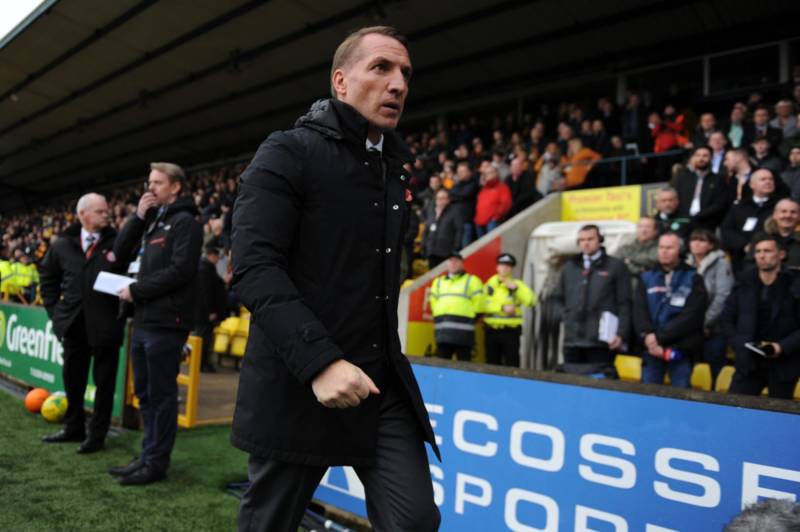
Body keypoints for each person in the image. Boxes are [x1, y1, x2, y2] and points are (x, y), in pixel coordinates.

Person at [229, 27, 440, 531]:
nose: (398, 85)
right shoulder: (287, 151)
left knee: (414, 520)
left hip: (378, 383)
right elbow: (255, 270)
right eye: (382, 68)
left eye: (406, 74)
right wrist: (321, 363)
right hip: (299, 378)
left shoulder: (396, 172)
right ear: (340, 82)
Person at [110, 162, 203, 485]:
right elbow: (118, 255)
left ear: (175, 187)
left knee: (162, 397)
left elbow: (181, 271)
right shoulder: (153, 220)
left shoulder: (186, 223)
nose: (150, 188)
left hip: (167, 324)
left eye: (157, 182)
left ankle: (156, 463)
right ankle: (148, 455)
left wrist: (136, 289)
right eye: (149, 182)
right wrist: (137, 217)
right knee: (146, 395)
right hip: (144, 320)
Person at [39, 193, 128, 453]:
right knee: (73, 379)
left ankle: (97, 435)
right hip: (74, 324)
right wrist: (56, 313)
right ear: (83, 215)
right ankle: (73, 427)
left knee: (104, 383)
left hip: (106, 324)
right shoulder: (62, 244)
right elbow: (48, 278)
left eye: (106, 211)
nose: (106, 215)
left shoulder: (118, 242)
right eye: (100, 211)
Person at [722, 233, 800, 399]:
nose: (762, 256)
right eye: (758, 251)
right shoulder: (744, 281)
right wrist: (739, 343)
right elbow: (727, 318)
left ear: (781, 254)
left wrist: (782, 347)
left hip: (783, 364)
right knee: (735, 410)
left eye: (767, 251)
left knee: (778, 417)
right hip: (748, 362)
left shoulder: (795, 282)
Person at [553, 224, 631, 374]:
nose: (586, 243)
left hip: (601, 342)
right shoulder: (569, 267)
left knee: (600, 387)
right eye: (582, 240)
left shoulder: (616, 266)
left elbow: (625, 303)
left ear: (600, 240)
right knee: (571, 387)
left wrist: (621, 333)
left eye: (590, 239)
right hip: (572, 341)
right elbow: (558, 298)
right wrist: (566, 317)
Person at [634, 233, 708, 388]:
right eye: (661, 247)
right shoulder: (646, 277)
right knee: (648, 398)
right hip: (651, 350)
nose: (664, 251)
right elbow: (640, 311)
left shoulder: (694, 277)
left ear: (679, 250)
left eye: (669, 247)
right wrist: (648, 337)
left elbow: (692, 316)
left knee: (681, 400)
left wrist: (659, 338)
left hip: (680, 350)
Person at [685, 229, 733, 382]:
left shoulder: (721, 263)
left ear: (711, 245)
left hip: (713, 328)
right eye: (693, 240)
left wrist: (704, 322)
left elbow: (723, 296)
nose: (696, 244)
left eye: (701, 240)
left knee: (713, 371)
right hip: (688, 329)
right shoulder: (686, 263)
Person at [482, 253, 536, 367]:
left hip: (510, 332)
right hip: (492, 331)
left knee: (512, 364)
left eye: (508, 266)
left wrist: (516, 289)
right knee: (491, 365)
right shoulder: (488, 285)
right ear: (497, 267)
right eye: (502, 265)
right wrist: (501, 308)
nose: (504, 268)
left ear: (511, 269)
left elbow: (531, 301)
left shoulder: (517, 284)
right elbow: (481, 305)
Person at [721, 168, 779, 274]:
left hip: (772, 261)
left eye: (771, 179)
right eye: (763, 179)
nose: (768, 182)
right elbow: (727, 230)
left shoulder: (779, 206)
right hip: (743, 260)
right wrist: (744, 245)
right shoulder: (739, 207)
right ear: (752, 185)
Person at [429, 253, 483, 362]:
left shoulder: (472, 280)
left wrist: (473, 317)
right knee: (441, 367)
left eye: (456, 261)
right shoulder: (438, 282)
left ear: (462, 264)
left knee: (464, 367)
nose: (453, 264)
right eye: (450, 261)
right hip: (442, 334)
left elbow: (480, 303)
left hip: (464, 335)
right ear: (447, 264)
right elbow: (433, 302)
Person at [671, 145, 728, 231]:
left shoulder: (718, 179)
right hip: (683, 220)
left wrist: (699, 215)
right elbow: (674, 198)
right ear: (693, 158)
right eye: (698, 155)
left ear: (711, 158)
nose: (701, 159)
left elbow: (719, 204)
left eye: (705, 156)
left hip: (707, 222)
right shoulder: (682, 178)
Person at [194, 244, 228, 373]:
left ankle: (203, 363)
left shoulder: (207, 268)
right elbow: (206, 292)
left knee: (205, 339)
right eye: (216, 257)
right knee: (204, 339)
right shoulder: (205, 269)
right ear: (211, 255)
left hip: (204, 312)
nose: (218, 259)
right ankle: (201, 364)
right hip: (205, 313)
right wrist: (211, 311)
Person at [422, 188, 462, 268]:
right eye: (438, 198)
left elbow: (459, 230)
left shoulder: (454, 212)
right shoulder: (432, 212)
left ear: (448, 200)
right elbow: (426, 230)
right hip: (431, 251)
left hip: (446, 252)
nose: (440, 200)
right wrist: (424, 245)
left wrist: (455, 247)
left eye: (443, 198)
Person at [473, 166, 511, 238]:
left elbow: (505, 204)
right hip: (480, 222)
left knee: (491, 246)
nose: (488, 175)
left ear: (496, 174)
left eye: (490, 172)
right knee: (482, 247)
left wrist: (495, 217)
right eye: (486, 173)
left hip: (492, 222)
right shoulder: (484, 188)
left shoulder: (502, 187)